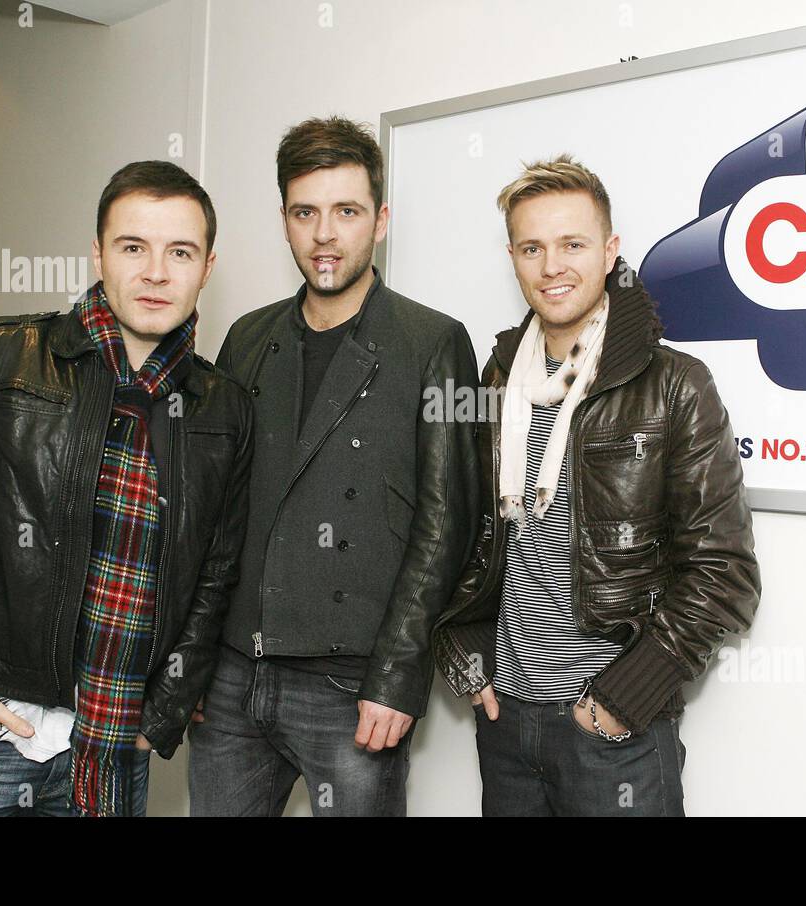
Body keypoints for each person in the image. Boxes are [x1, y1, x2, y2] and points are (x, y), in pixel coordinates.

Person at [0, 160, 253, 817]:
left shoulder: (223, 408)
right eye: (134, 247)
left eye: (179, 252)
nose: (156, 271)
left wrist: (159, 712)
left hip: (110, 752)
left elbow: (215, 576)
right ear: (98, 253)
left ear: (206, 266)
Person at [432, 155, 762, 816]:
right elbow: (462, 537)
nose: (552, 266)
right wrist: (464, 649)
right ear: (513, 257)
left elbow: (725, 576)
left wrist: (620, 700)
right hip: (506, 724)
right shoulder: (493, 384)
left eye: (572, 244)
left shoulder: (674, 385)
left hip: (616, 733)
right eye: (532, 247)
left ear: (610, 252)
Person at [188, 116, 479, 816]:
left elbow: (451, 523)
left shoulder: (438, 342)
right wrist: (189, 662)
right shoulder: (247, 337)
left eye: (345, 212)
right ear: (284, 220)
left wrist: (400, 674)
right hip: (231, 678)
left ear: (379, 221)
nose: (325, 234)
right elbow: (213, 515)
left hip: (352, 688)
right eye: (305, 212)